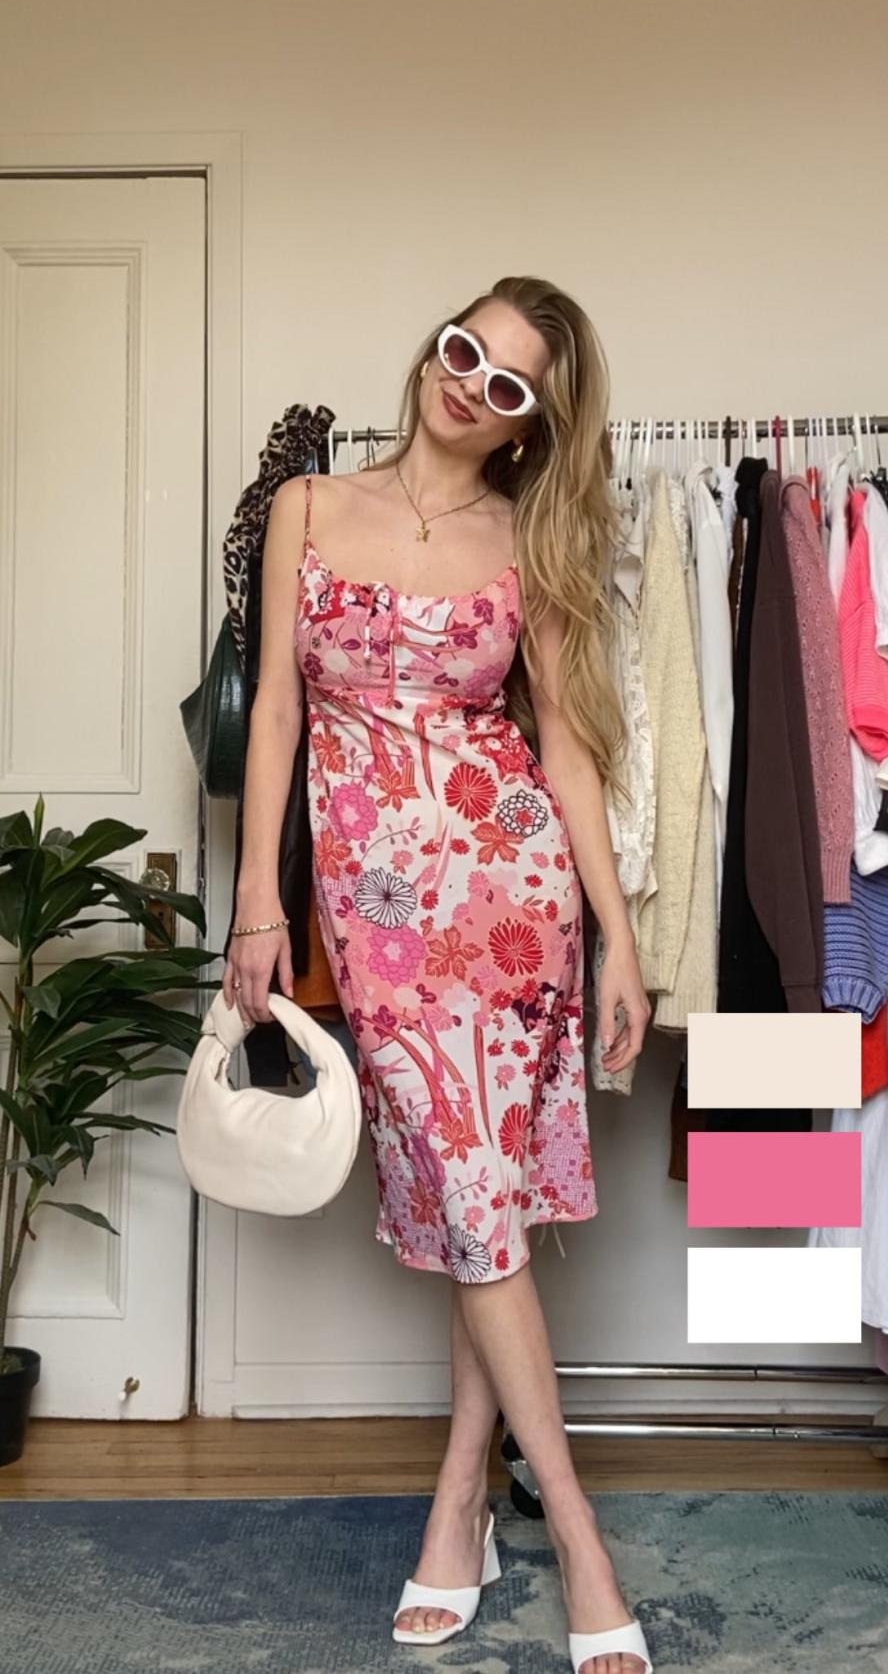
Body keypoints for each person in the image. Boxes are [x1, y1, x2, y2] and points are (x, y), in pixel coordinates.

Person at [223, 275, 653, 1674]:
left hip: (512, 892)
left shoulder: (524, 536)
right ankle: (576, 1530)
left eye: (508, 384)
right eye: (465, 349)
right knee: (477, 1206)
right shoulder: (305, 506)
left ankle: (472, 1507)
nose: (469, 383)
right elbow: (280, 710)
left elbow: (570, 752)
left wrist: (618, 934)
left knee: (489, 1212)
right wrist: (254, 903)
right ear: (437, 345)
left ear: (531, 428)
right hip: (377, 908)